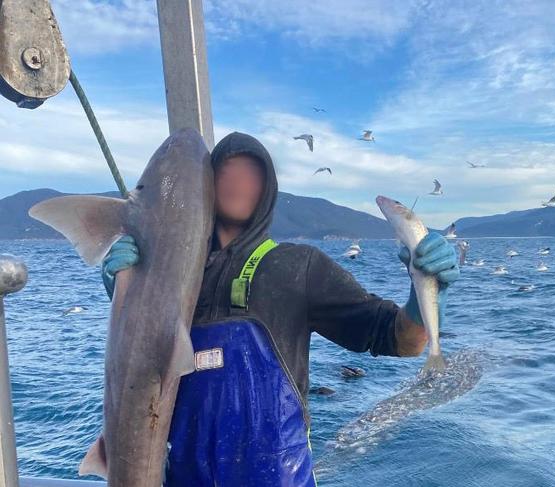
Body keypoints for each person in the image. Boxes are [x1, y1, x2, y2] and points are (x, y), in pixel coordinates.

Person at [100, 131, 460, 486]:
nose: (239, 180)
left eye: (252, 172)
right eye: (227, 170)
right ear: (206, 185)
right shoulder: (176, 275)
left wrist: (425, 288)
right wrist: (129, 288)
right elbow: (141, 371)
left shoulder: (299, 267)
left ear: (268, 188)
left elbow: (403, 341)